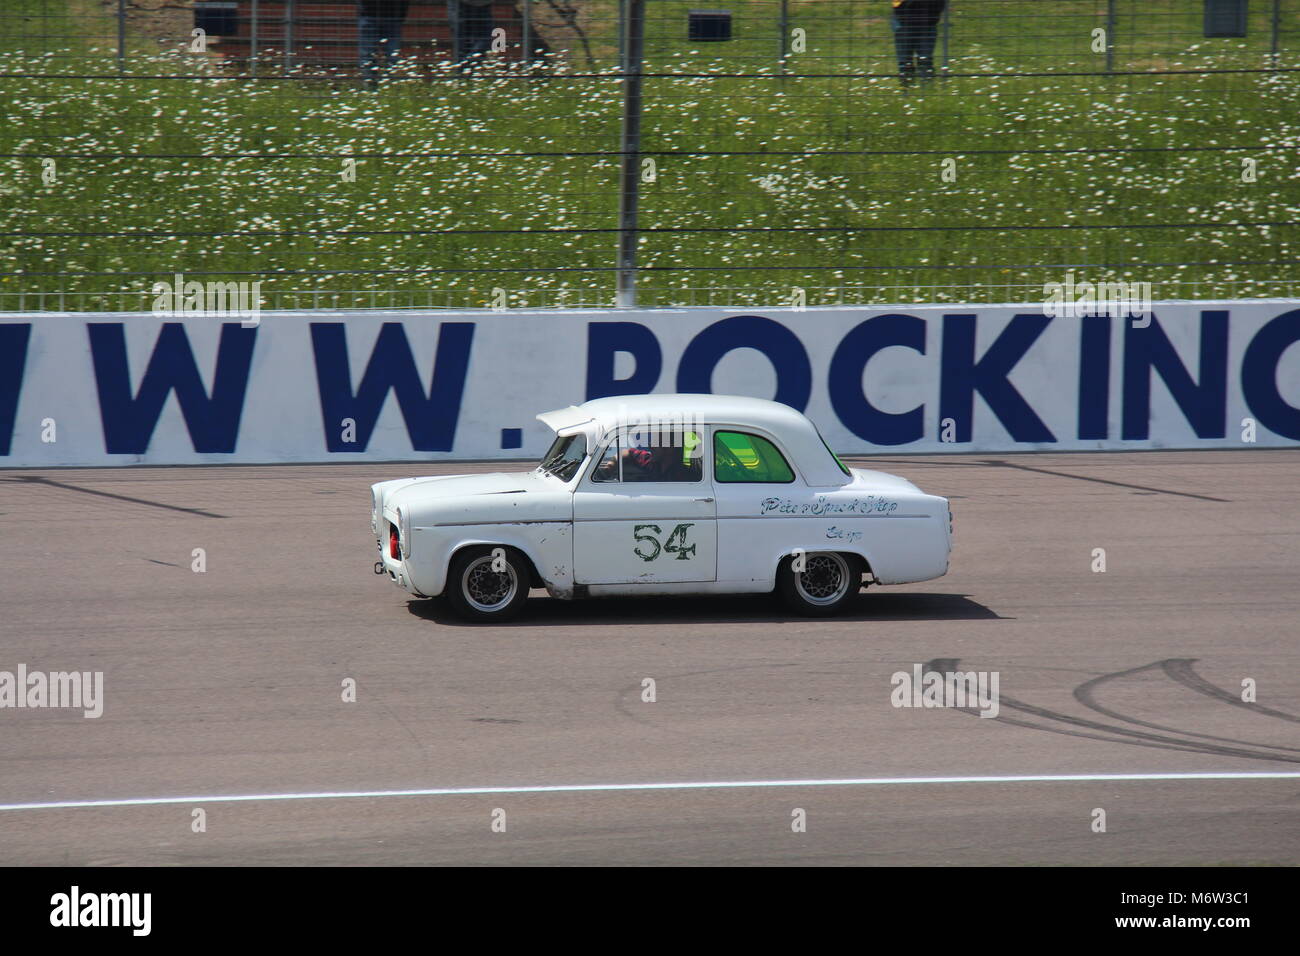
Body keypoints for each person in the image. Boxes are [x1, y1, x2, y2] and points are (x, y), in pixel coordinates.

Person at [891, 0, 947, 85]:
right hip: (904, 18)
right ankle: (907, 92)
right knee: (905, 63)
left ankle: (927, 92)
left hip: (927, 19)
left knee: (925, 61)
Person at [358, 0, 411, 87]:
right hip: (377, 14)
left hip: (384, 15)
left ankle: (385, 89)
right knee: (371, 56)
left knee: (388, 56)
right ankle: (376, 89)